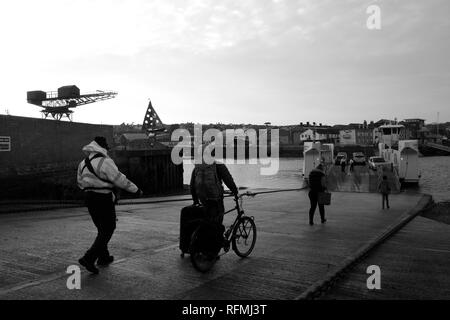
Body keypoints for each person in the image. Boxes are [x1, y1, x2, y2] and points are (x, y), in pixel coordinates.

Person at [77, 136, 143, 274]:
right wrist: (136, 190)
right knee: (108, 228)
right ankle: (89, 258)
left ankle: (104, 257)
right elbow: (119, 179)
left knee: (101, 228)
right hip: (103, 198)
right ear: (102, 148)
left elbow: (79, 182)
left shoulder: (83, 163)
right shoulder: (105, 161)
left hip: (88, 198)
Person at [190, 144, 239, 227]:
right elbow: (228, 180)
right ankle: (216, 238)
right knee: (217, 221)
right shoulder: (219, 165)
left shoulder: (197, 167)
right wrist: (235, 191)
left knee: (207, 220)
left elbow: (192, 185)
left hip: (203, 199)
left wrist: (195, 200)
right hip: (215, 198)